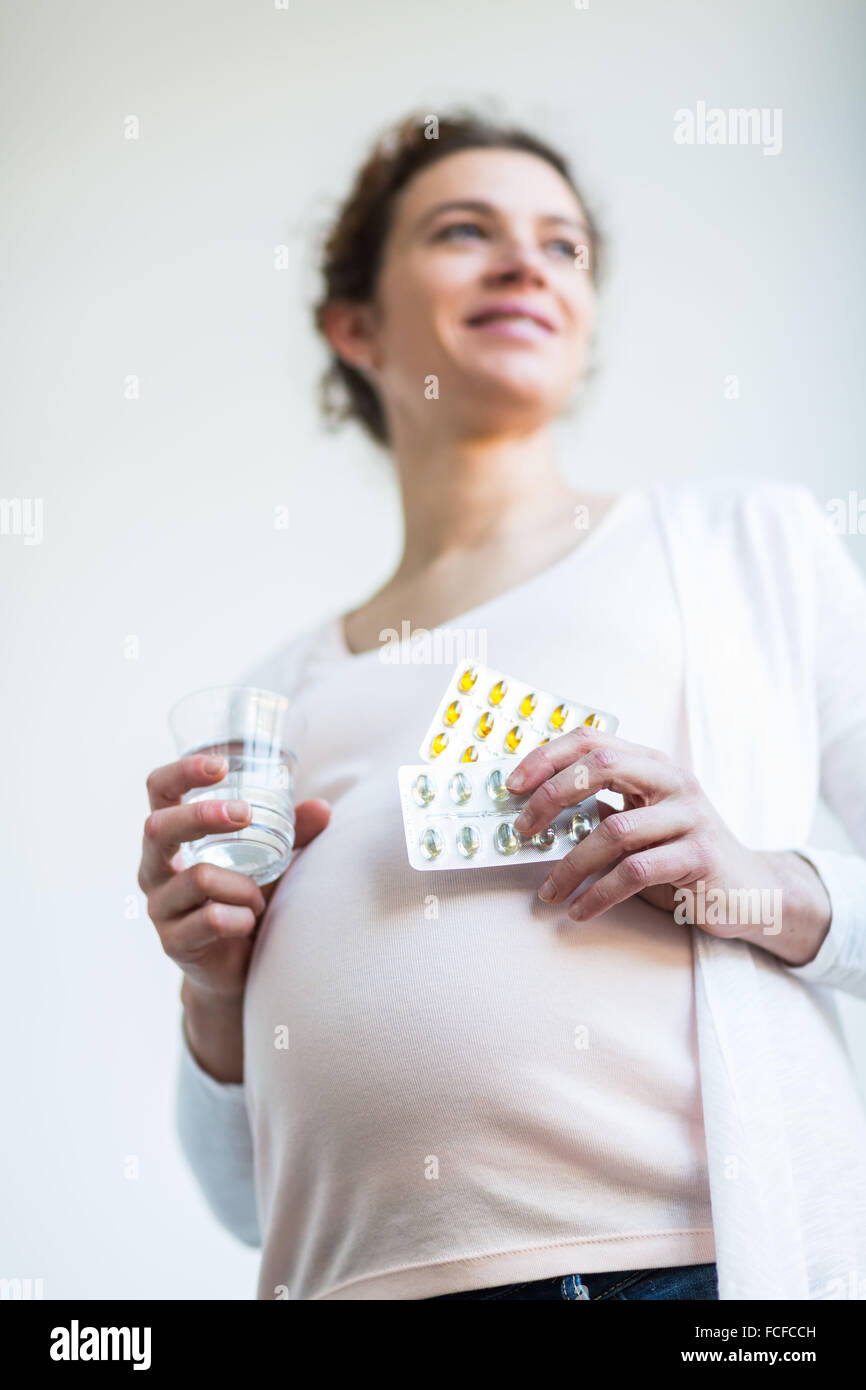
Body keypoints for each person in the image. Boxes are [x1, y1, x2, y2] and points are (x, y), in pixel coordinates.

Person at [138, 111, 866, 1301]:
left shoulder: (745, 547)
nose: (527, 264)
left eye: (562, 246)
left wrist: (770, 883)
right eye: (463, 231)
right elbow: (240, 1201)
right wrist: (212, 995)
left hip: (668, 1279)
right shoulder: (270, 698)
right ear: (356, 326)